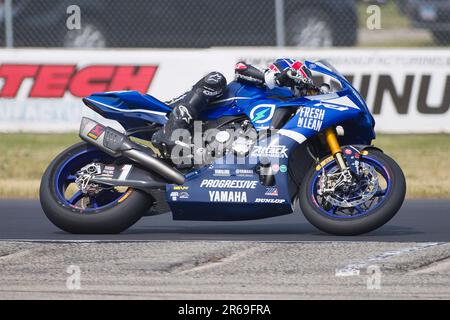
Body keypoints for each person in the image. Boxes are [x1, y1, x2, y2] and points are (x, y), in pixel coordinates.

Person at [151, 58, 316, 150]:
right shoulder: (262, 82)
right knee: (216, 78)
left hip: (213, 135)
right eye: (299, 84)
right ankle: (171, 130)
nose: (299, 91)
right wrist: (272, 78)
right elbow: (240, 67)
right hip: (181, 110)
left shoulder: (286, 104)